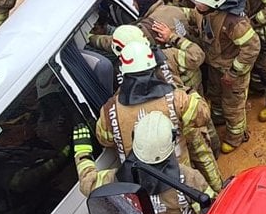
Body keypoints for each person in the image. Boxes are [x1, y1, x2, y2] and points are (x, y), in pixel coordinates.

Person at [73, 112, 214, 214]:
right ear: (172, 140)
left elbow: (87, 183)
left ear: (134, 139)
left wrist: (82, 151)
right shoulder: (189, 178)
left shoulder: (115, 180)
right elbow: (211, 213)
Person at [94, 39, 221, 191]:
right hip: (180, 179)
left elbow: (105, 139)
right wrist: (190, 92)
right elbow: (203, 115)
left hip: (141, 184)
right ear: (153, 67)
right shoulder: (176, 98)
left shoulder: (109, 110)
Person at [189, 0, 261, 153]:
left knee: (233, 106)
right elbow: (192, 15)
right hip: (215, 65)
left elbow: (252, 47)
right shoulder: (205, 11)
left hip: (232, 71)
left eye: (200, 4)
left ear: (214, 3)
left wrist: (234, 72)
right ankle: (219, 119)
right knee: (215, 95)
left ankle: (236, 136)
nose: (196, 6)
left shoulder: (234, 22)